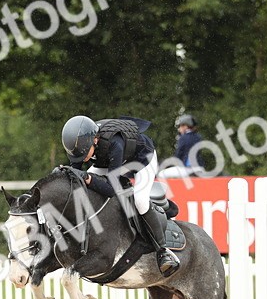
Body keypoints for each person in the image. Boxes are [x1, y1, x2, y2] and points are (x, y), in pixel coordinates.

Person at [61, 115, 180, 276]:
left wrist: (88, 179)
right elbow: (75, 176)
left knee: (140, 201)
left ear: (95, 141)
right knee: (83, 183)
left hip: (143, 160)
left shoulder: (114, 144)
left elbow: (111, 189)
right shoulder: (84, 143)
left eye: (82, 155)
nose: (81, 159)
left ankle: (163, 251)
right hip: (114, 162)